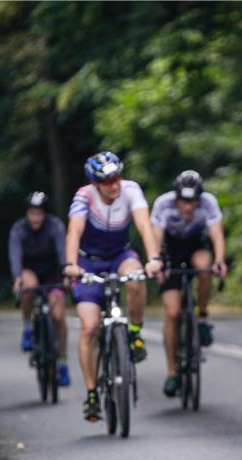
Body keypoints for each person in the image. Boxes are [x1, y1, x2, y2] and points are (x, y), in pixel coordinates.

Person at [63, 151, 163, 421]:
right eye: (107, 180)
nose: (114, 184)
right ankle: (93, 393)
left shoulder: (130, 190)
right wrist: (71, 264)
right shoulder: (84, 196)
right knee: (89, 328)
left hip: (121, 255)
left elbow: (144, 225)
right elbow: (74, 232)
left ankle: (133, 331)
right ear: (95, 183)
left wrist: (154, 259)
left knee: (137, 278)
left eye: (117, 176)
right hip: (89, 262)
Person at [150, 170, 227, 397]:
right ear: (176, 197)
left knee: (205, 267)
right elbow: (155, 235)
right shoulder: (163, 204)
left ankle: (202, 316)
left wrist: (220, 260)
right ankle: (172, 373)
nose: (188, 207)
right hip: (170, 252)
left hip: (195, 245)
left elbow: (216, 234)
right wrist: (157, 262)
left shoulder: (208, 202)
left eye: (192, 201)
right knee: (172, 313)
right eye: (184, 201)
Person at [8, 192, 70, 386]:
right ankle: (28, 327)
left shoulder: (55, 226)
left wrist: (66, 274)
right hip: (30, 270)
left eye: (39, 214)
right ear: (26, 214)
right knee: (28, 288)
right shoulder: (18, 229)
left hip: (52, 272)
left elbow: (62, 252)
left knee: (58, 317)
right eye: (31, 213)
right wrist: (17, 278)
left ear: (45, 214)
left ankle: (62, 362)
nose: (35, 218)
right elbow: (15, 254)